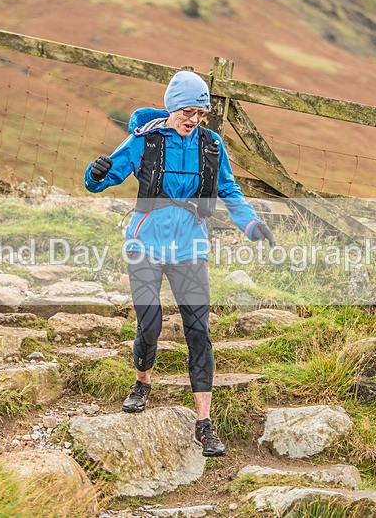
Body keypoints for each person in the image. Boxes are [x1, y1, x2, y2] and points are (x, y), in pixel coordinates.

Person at [84, 71, 275, 457]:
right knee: (150, 325)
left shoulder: (212, 145)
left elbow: (229, 190)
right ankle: (142, 382)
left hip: (191, 245)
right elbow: (103, 179)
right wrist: (96, 174)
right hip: (145, 243)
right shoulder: (146, 140)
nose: (194, 119)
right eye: (188, 111)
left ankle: (204, 424)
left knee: (198, 331)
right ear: (172, 107)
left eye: (200, 113)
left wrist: (251, 223)